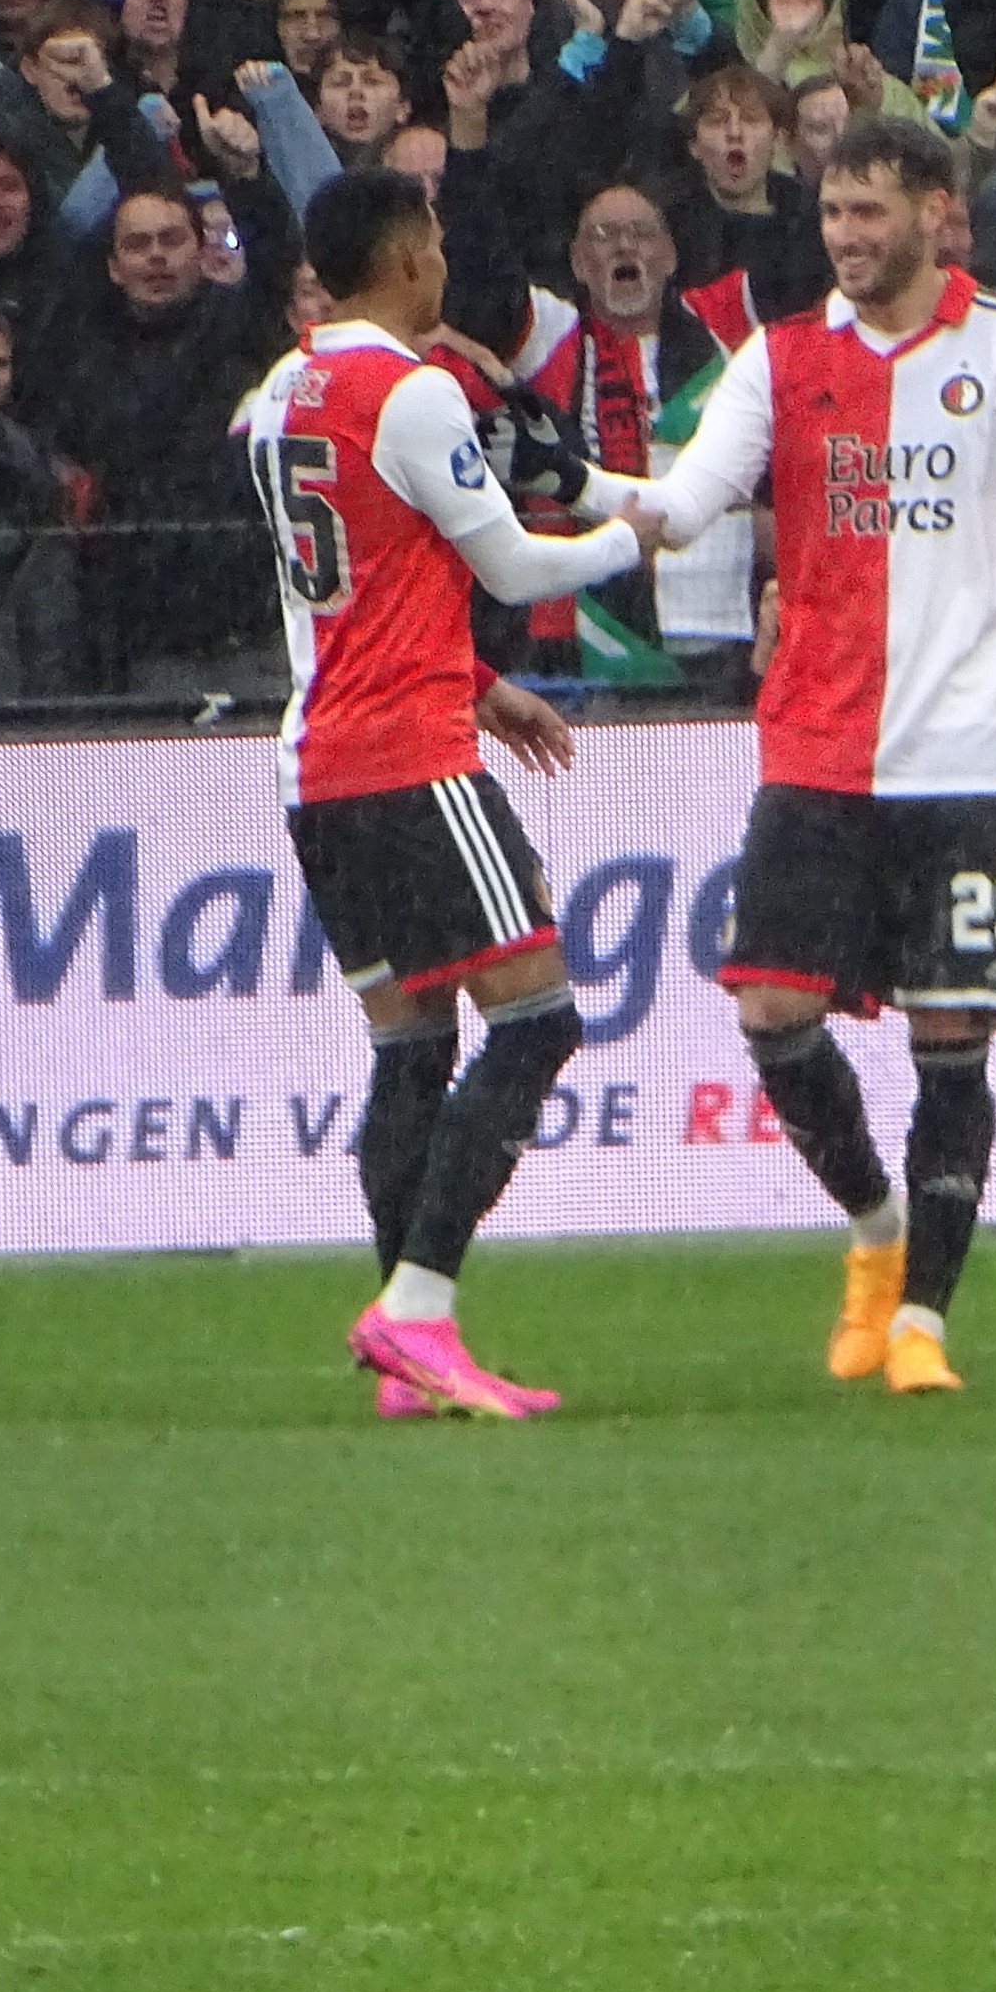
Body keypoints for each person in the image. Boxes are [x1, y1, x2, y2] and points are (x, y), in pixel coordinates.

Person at [640, 117, 996, 1396]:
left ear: (939, 215)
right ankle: (875, 1230)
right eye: (832, 214)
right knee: (772, 1012)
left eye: (870, 214)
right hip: (819, 743)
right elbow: (689, 500)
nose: (847, 238)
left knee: (953, 1037)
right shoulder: (781, 360)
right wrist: (600, 498)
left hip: (976, 749)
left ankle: (924, 1316)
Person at [240, 166, 667, 1423]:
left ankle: (405, 1356)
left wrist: (480, 682)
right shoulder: (413, 392)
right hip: (410, 763)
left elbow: (349, 586)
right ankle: (416, 1309)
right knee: (536, 1024)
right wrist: (636, 533)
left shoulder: (277, 398)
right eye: (430, 237)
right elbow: (517, 558)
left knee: (413, 1046)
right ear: (407, 259)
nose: (441, 255)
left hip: (318, 766)